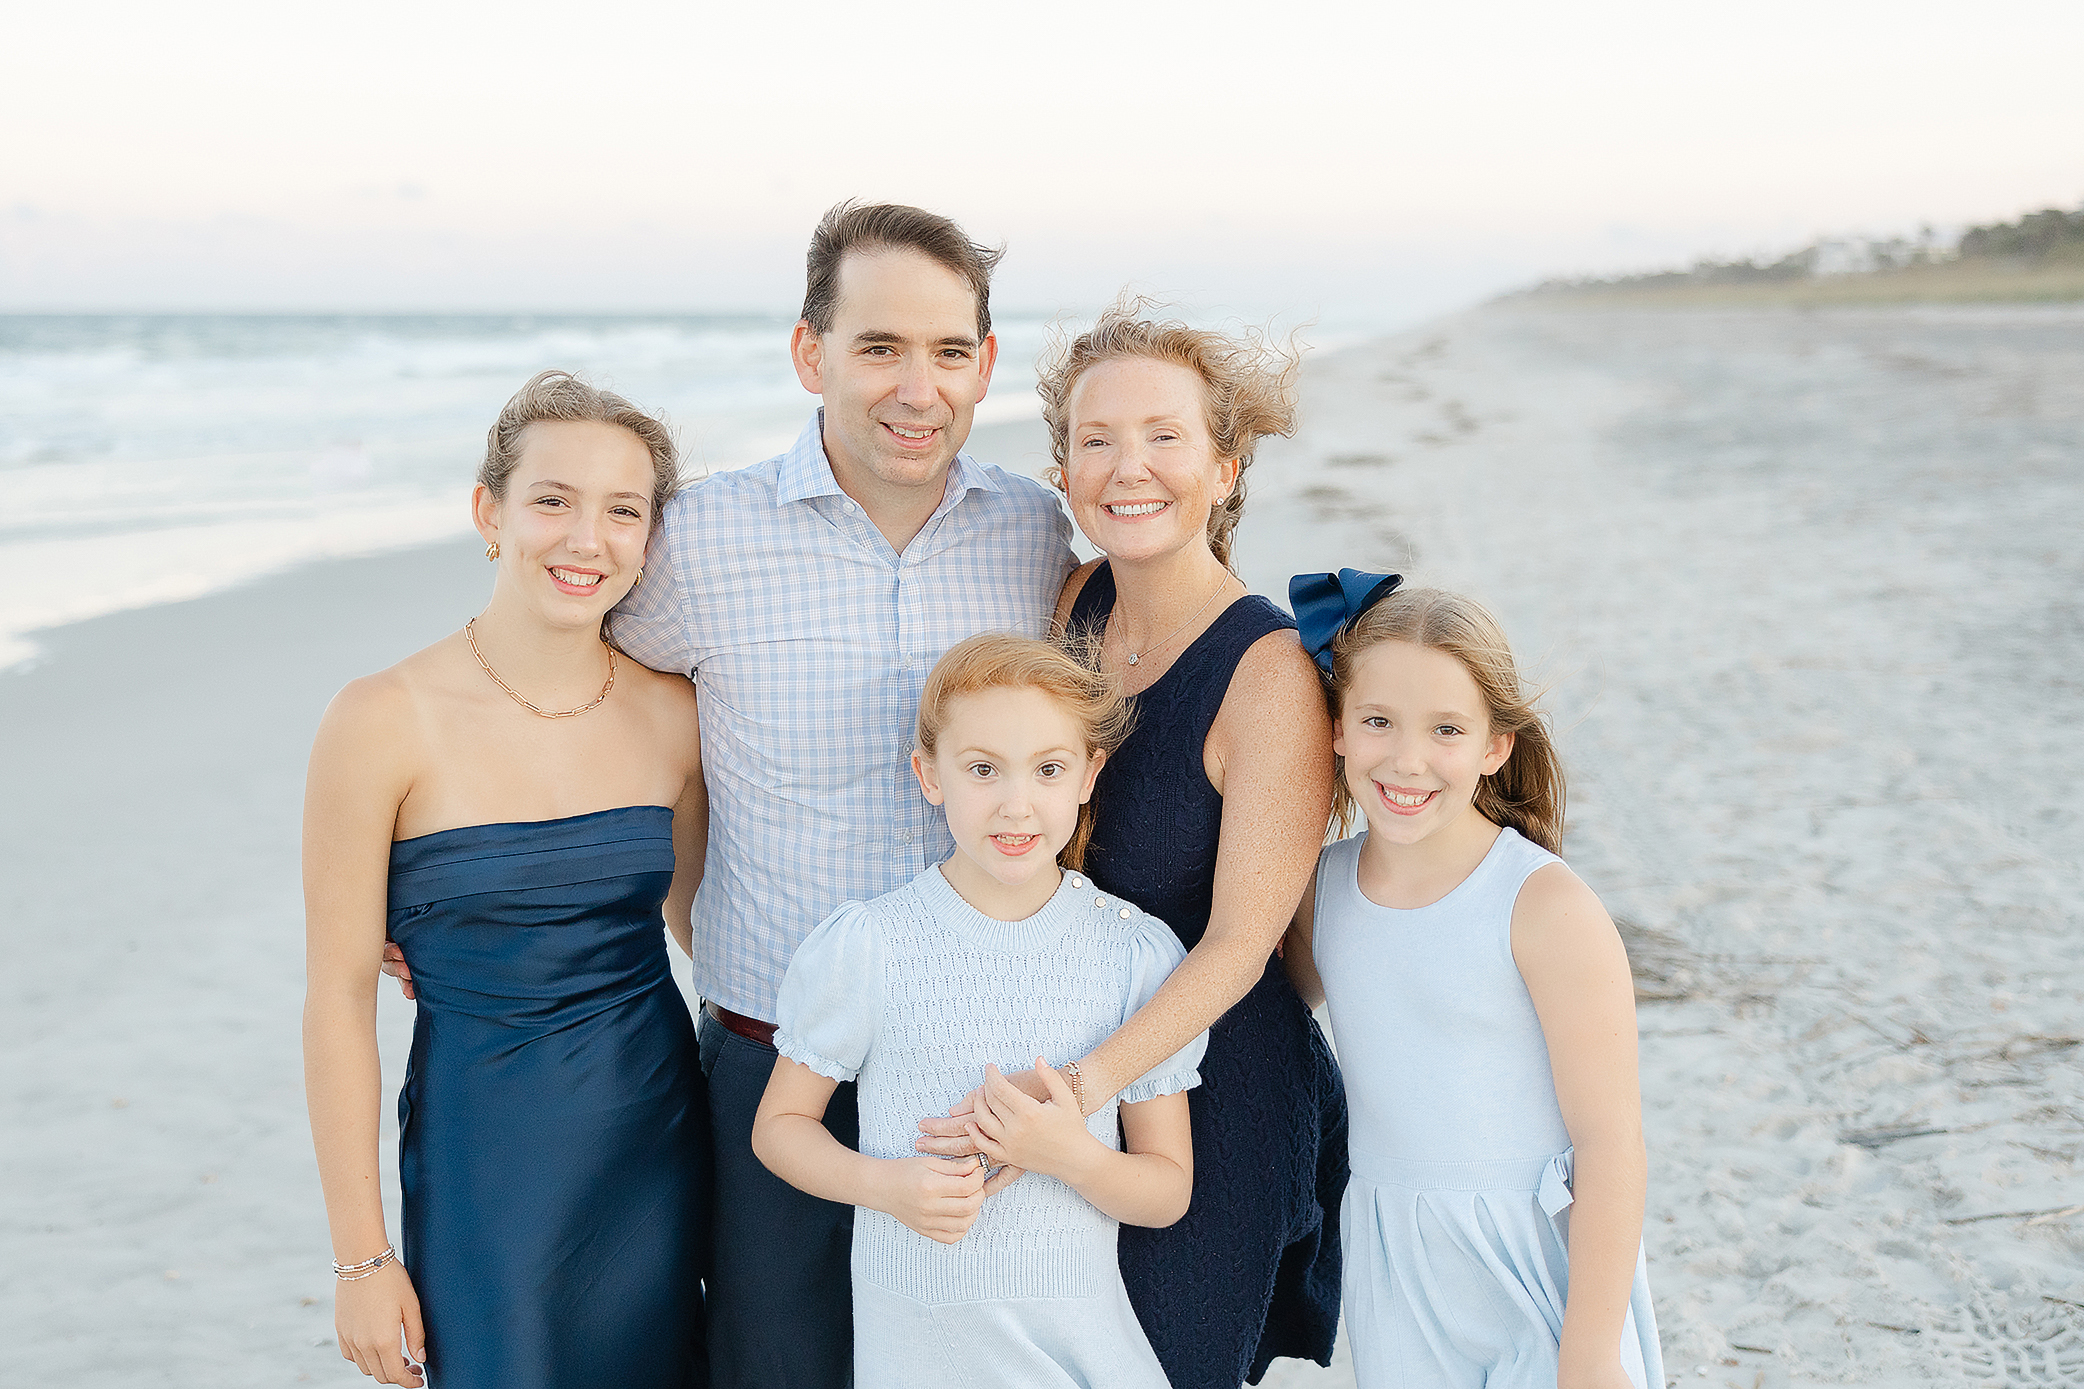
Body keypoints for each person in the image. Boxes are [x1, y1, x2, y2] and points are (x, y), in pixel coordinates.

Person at [602, 204, 1076, 1386]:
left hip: (990, 1077)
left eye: (947, 353)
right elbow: (578, 703)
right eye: (879, 348)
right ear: (811, 353)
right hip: (776, 1064)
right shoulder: (697, 542)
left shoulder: (1032, 535)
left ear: (984, 368)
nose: (916, 389)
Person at [919, 305, 1347, 1387]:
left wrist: (1079, 1092)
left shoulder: (1267, 675)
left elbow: (1242, 948)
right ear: (1061, 471)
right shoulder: (1080, 598)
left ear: (1225, 465)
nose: (1128, 468)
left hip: (1212, 1091)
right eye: (1096, 441)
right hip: (1066, 1073)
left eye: (1164, 436)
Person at [303, 371, 709, 1388]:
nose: (587, 539)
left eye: (623, 510)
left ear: (648, 538)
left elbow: (710, 929)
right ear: (490, 512)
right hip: (484, 1161)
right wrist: (361, 1255)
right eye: (552, 501)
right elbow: (338, 995)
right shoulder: (381, 717)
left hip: (656, 1145)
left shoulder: (675, 715)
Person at [751, 633, 1208, 1388]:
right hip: (922, 1355)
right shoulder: (870, 946)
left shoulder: (1135, 955)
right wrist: (887, 1186)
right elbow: (779, 1128)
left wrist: (1072, 1155)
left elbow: (1168, 1189)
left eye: (1049, 769)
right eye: (983, 769)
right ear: (929, 774)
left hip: (1078, 1354)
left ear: (1090, 775)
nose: (1016, 803)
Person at [1281, 576, 1665, 1389]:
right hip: (1398, 1269)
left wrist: (1591, 1353)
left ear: (1496, 745)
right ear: (1339, 727)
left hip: (1536, 1264)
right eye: (1378, 719)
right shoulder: (1322, 889)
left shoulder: (1542, 904)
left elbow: (1611, 1142)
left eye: (1445, 730)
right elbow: (1267, 1018)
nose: (1406, 759)